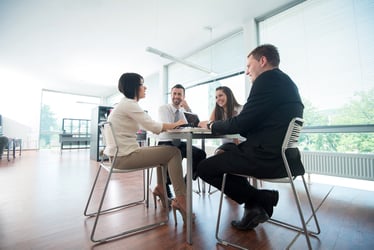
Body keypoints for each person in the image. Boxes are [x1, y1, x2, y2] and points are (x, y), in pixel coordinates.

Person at [197, 44, 305, 230]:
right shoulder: (285, 82)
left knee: (204, 168)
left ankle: (260, 198)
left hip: (267, 157)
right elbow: (252, 124)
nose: (247, 71)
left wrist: (212, 125)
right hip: (284, 156)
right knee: (227, 149)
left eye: (249, 66)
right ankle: (253, 206)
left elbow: (241, 123)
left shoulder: (267, 80)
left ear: (262, 61)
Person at [103, 72, 189, 223]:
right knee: (174, 152)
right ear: (134, 87)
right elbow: (153, 126)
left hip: (120, 155)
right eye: (142, 84)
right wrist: (176, 124)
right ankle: (181, 200)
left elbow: (150, 124)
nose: (145, 87)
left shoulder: (125, 104)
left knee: (163, 153)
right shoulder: (129, 105)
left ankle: (161, 188)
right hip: (124, 157)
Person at [158, 84, 207, 198]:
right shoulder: (164, 109)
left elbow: (195, 125)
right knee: (174, 156)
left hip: (179, 143)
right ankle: (166, 185)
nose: (176, 96)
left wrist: (188, 109)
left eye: (179, 94)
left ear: (183, 96)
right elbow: (170, 127)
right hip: (166, 142)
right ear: (171, 95)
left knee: (200, 154)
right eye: (174, 93)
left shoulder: (182, 112)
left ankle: (186, 182)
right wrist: (180, 125)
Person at [208, 86, 244, 154]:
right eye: (216, 97)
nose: (218, 99)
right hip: (227, 145)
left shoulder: (240, 109)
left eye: (220, 95)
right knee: (218, 153)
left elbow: (236, 129)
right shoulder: (221, 113)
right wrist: (217, 105)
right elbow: (209, 123)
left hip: (241, 143)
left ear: (228, 95)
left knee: (219, 154)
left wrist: (239, 149)